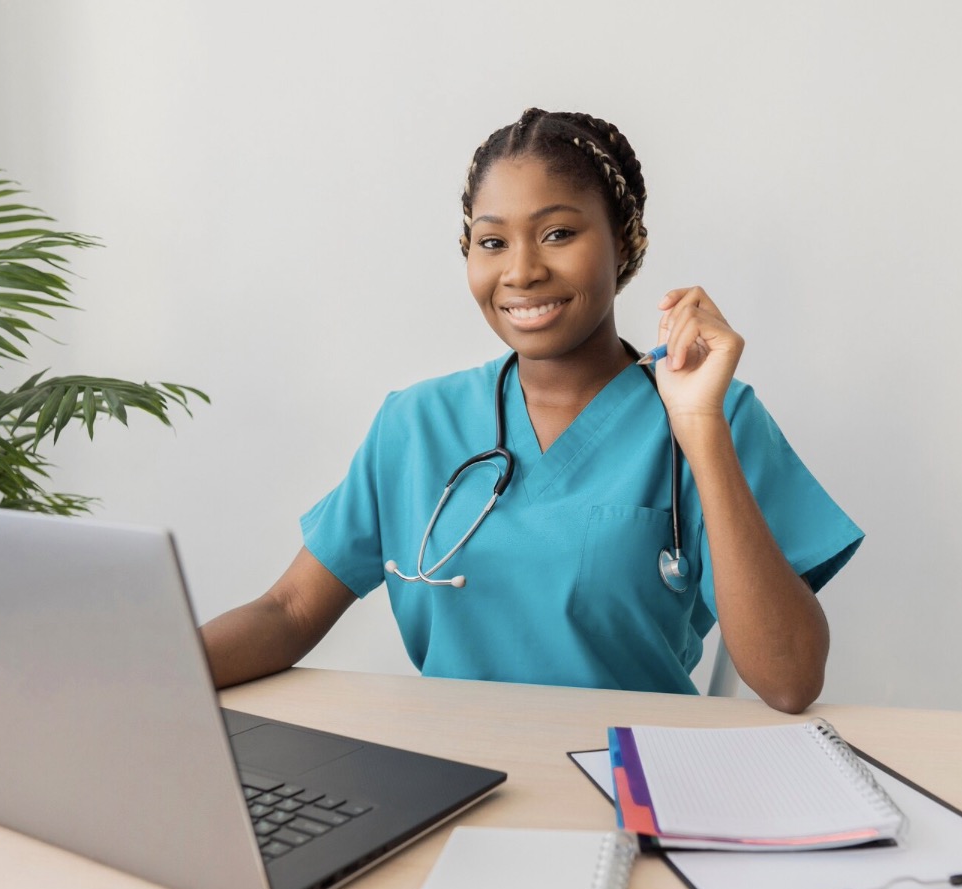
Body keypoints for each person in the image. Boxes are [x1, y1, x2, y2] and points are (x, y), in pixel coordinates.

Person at [202, 108, 862, 713]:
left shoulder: (715, 415)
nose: (521, 271)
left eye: (557, 233)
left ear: (625, 244)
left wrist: (699, 428)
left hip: (633, 778)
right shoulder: (415, 425)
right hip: (453, 780)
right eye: (492, 243)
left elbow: (789, 679)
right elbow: (288, 612)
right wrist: (136, 675)